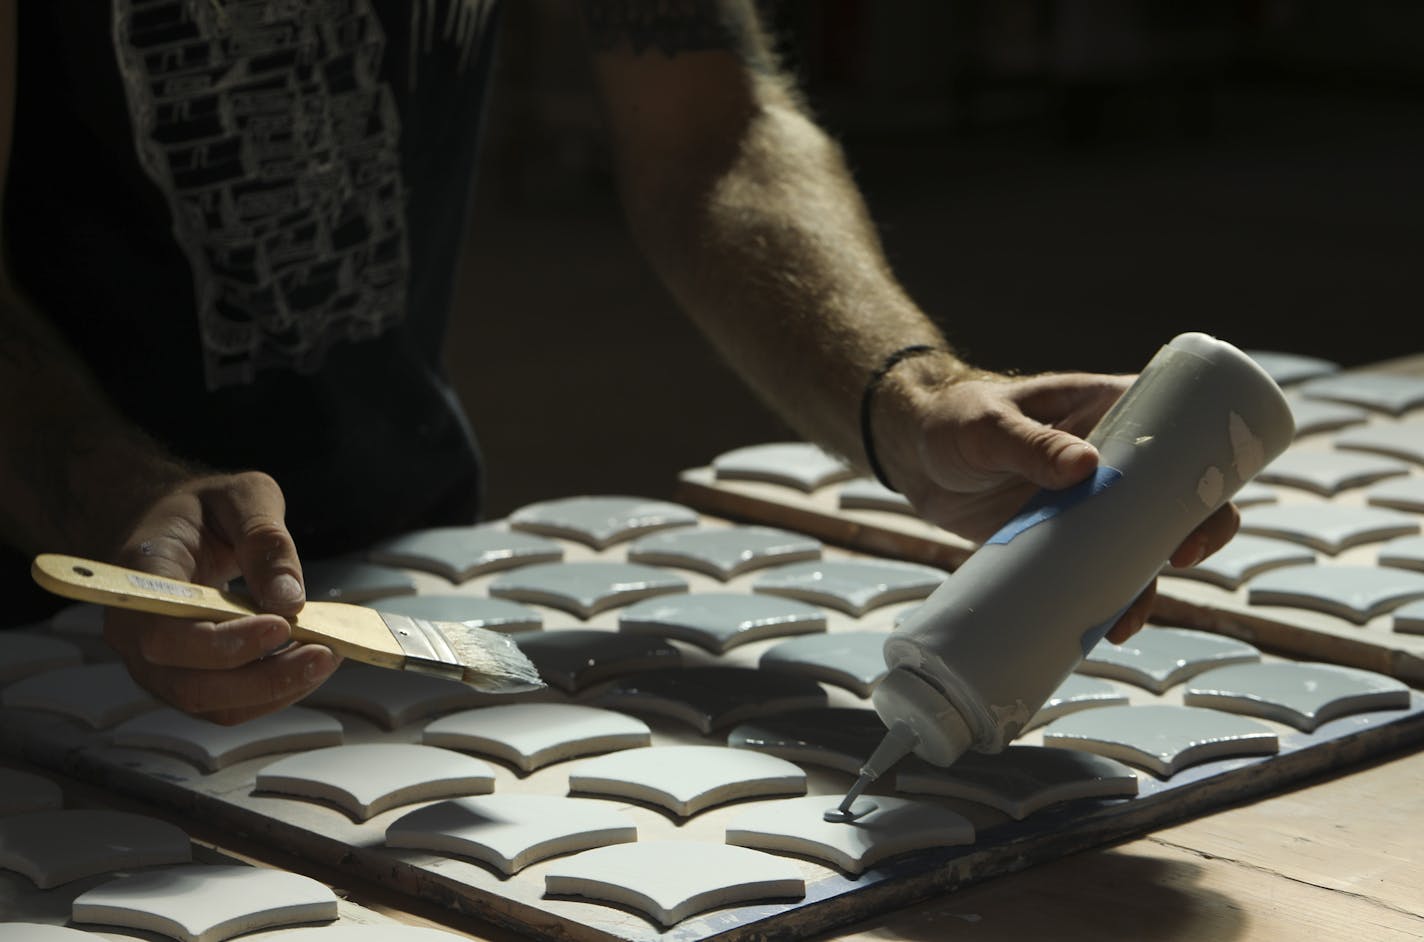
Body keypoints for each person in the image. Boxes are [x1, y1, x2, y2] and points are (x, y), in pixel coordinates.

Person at [0, 1, 1236, 724]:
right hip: (37, 599)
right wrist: (111, 494)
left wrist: (912, 399)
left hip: (394, 578)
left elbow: (709, 131)